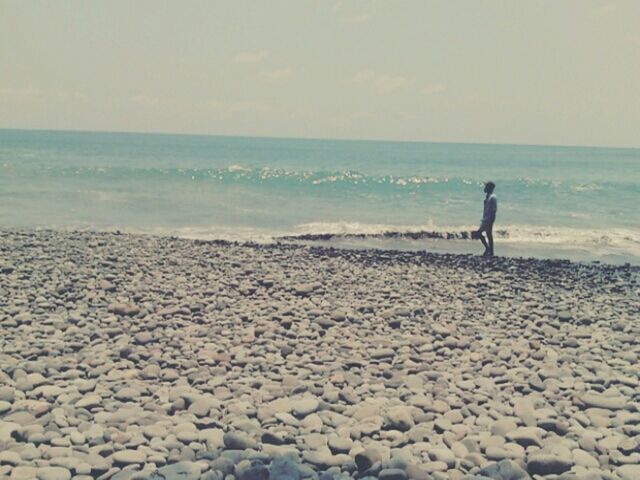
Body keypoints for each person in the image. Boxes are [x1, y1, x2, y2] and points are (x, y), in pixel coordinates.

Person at [474, 181, 497, 256]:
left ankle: (489, 249)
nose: (484, 188)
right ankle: (490, 250)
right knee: (488, 234)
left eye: (486, 187)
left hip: (488, 219)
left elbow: (494, 210)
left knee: (480, 233)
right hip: (485, 219)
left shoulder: (492, 197)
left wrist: (491, 221)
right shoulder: (488, 197)